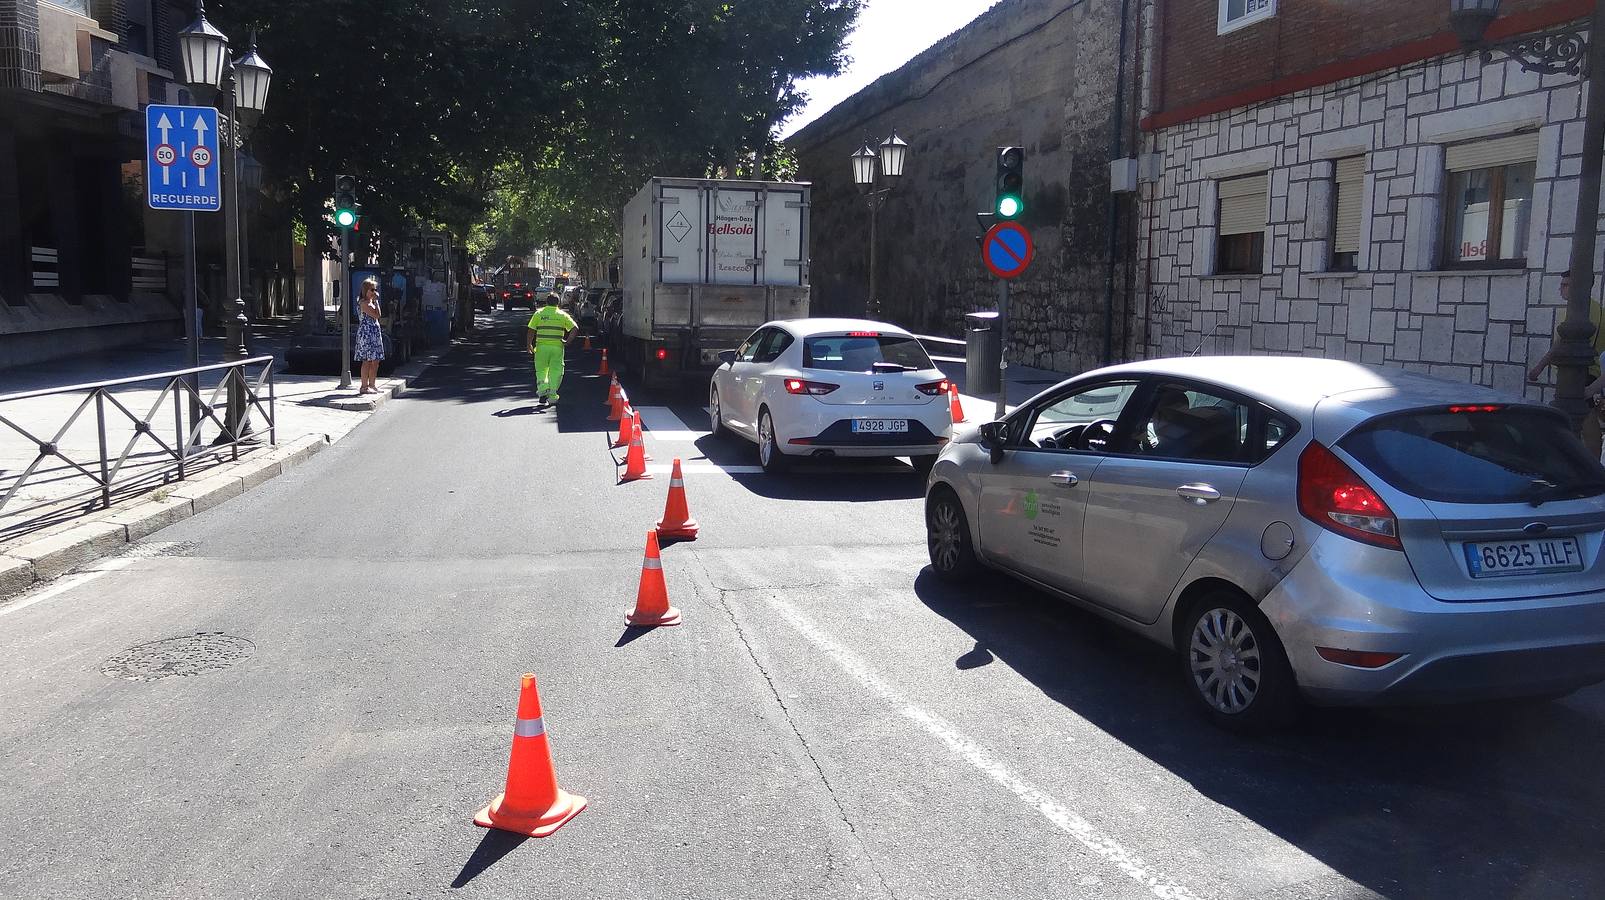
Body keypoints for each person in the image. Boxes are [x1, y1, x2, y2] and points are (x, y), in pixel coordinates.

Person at [1529, 270, 1605, 456]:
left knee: (1583, 423)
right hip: (1592, 373)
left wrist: (1539, 367)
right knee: (1587, 420)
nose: (1561, 289)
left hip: (1579, 373)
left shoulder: (1576, 312)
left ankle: (1590, 468)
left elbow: (1561, 343)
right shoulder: (1600, 311)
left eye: (1566, 285)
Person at [526, 291, 578, 405]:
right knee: (556, 371)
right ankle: (552, 395)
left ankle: (543, 389)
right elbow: (575, 328)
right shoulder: (562, 315)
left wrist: (529, 344)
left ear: (546, 302)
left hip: (541, 348)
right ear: (558, 303)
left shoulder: (538, 314)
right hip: (557, 348)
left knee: (541, 370)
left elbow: (531, 330)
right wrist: (568, 341)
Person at [354, 277, 385, 395]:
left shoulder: (372, 302)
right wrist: (375, 302)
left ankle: (372, 384)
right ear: (366, 290)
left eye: (375, 289)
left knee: (375, 360)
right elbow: (376, 315)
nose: (374, 292)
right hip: (366, 334)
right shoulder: (363, 303)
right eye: (372, 290)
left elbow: (379, 315)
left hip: (374, 332)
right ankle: (364, 386)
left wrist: (376, 302)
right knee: (367, 360)